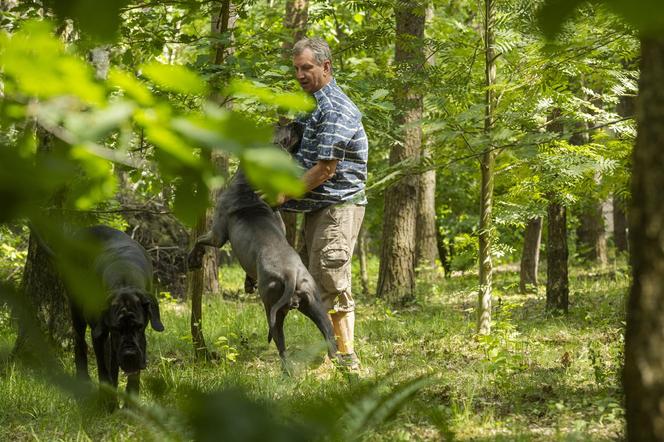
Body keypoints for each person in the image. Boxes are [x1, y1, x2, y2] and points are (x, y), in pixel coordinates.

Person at [277, 37, 368, 371]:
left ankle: (345, 360)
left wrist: (283, 194)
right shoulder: (313, 104)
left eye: (307, 68)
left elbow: (325, 169)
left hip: (338, 208)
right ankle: (328, 355)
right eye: (297, 68)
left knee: (331, 280)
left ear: (326, 67)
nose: (300, 75)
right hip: (320, 209)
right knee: (317, 281)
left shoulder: (334, 108)